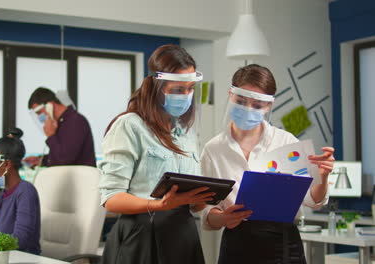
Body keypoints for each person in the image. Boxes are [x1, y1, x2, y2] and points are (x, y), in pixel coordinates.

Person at [200, 64, 335, 263]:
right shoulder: (214, 149)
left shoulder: (286, 143)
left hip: (283, 243)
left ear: (269, 106)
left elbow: (312, 201)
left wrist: (322, 178)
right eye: (241, 101)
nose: (248, 109)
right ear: (230, 95)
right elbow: (205, 209)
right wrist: (222, 218)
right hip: (236, 243)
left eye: (257, 105)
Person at [99, 44, 213, 264]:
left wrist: (202, 198)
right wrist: (159, 205)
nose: (186, 96)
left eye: (190, 88)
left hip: (183, 235)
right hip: (142, 235)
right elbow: (111, 198)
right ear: (156, 86)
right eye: (178, 89)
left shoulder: (185, 133)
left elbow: (192, 204)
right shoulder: (129, 126)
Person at [24, 88, 96, 167]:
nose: (40, 117)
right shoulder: (60, 123)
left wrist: (51, 136)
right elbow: (61, 154)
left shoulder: (75, 121)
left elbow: (65, 159)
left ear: (50, 105)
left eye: (39, 112)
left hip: (80, 177)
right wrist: (41, 160)